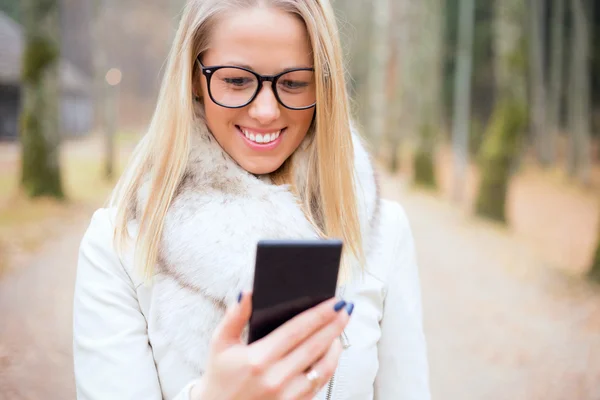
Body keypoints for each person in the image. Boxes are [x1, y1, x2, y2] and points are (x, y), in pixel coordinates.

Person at [72, 0, 430, 399]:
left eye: (294, 83)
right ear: (194, 77)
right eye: (237, 81)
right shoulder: (120, 243)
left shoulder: (382, 232)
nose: (265, 110)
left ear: (324, 86)